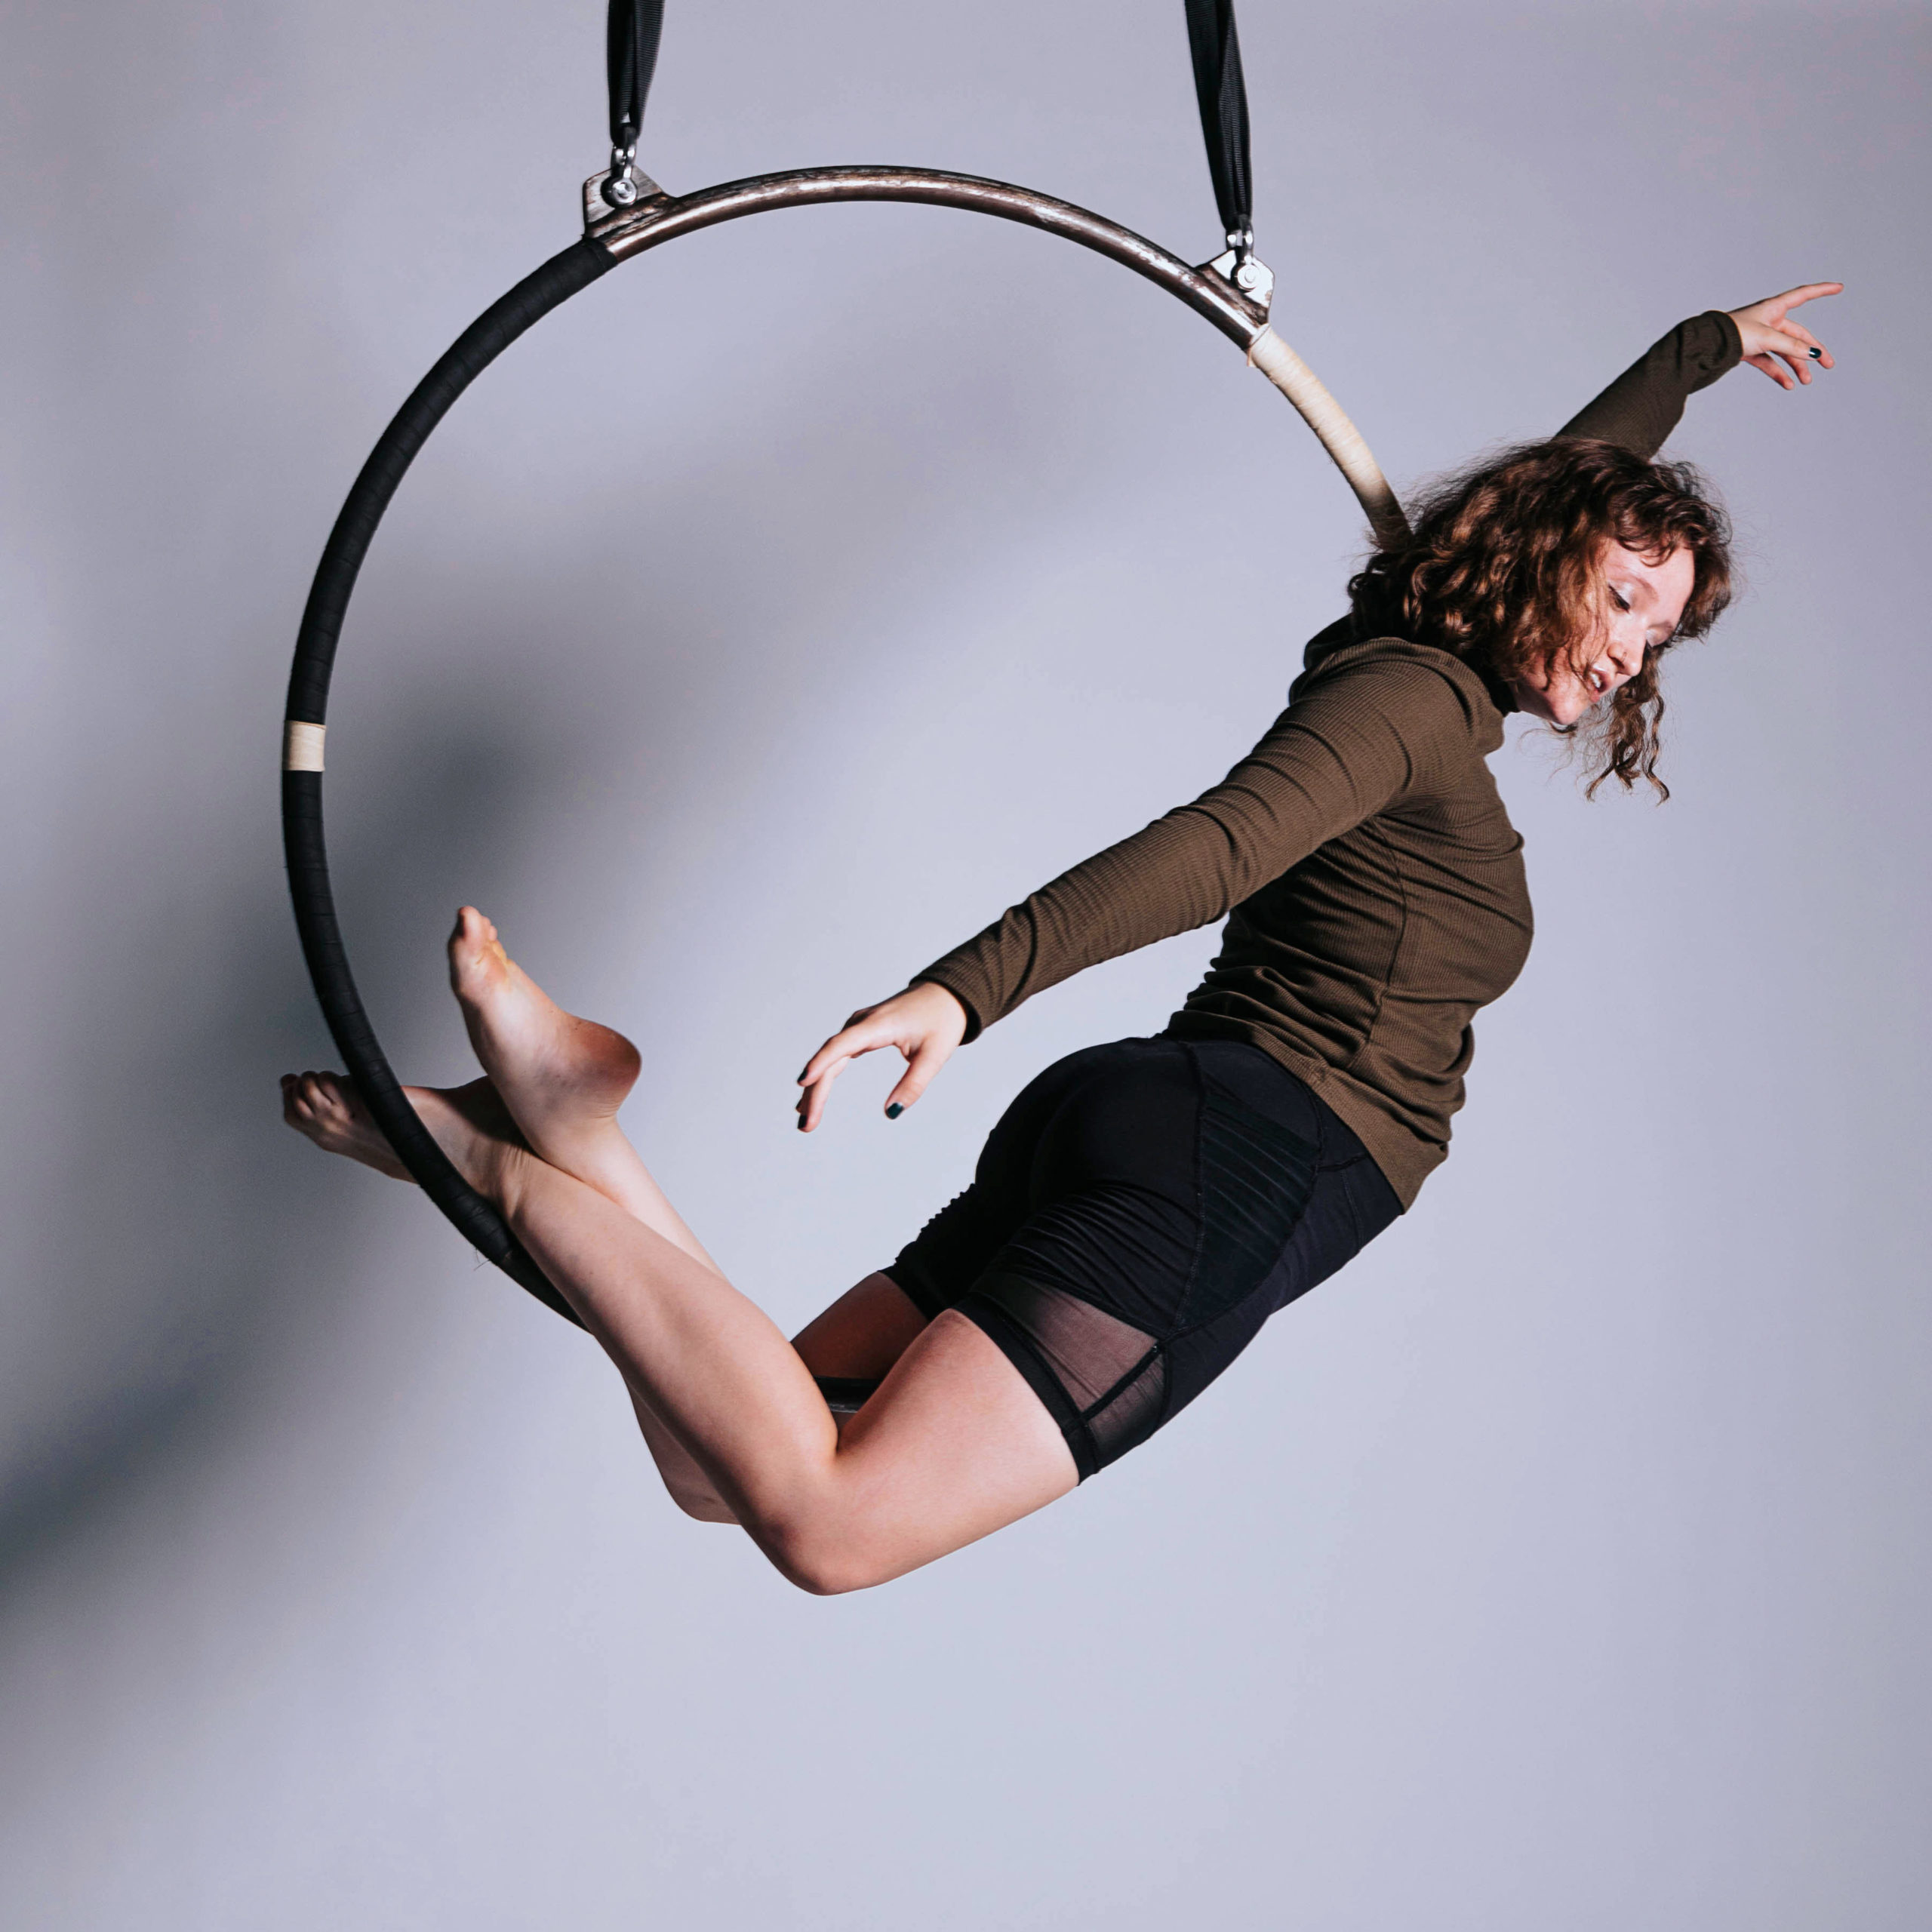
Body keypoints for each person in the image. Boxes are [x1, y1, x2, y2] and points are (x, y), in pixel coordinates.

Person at [283, 284, 1840, 1595]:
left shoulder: (1410, 660)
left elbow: (1587, 471)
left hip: (1153, 1123)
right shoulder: (1411, 707)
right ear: (1543, 547)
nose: (1630, 647)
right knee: (825, 1526)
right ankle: (480, 1164)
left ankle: (571, 1127)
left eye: (1659, 628)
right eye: (1624, 598)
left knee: (720, 1458)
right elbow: (1219, 844)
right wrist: (964, 991)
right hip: (1238, 1164)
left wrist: (1699, 350)